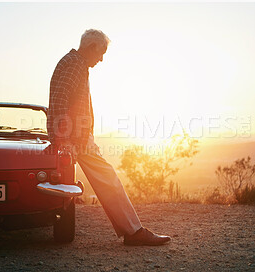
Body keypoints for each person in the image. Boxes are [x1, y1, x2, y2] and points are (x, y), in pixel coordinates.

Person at [47, 29, 171, 246]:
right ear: (92, 47)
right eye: (101, 52)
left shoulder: (74, 63)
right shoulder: (74, 64)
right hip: (75, 139)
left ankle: (132, 230)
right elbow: (60, 101)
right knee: (109, 180)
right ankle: (134, 232)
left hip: (75, 137)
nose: (102, 59)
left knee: (89, 182)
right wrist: (65, 140)